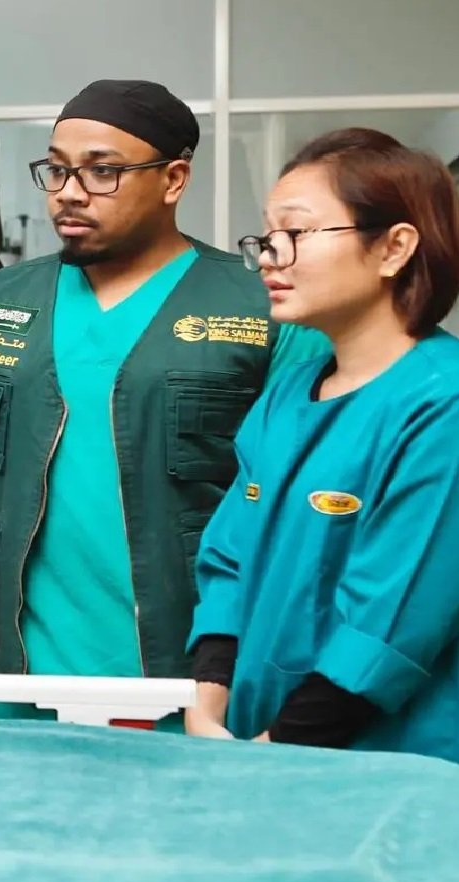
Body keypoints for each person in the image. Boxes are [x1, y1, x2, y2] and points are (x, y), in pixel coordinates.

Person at [0, 80, 329, 715]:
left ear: (173, 179)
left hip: (200, 685)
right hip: (23, 685)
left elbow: (303, 508)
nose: (70, 192)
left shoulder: (264, 309)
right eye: (57, 170)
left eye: (103, 171)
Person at [185, 129, 459, 760]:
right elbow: (228, 559)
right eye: (266, 237)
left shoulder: (440, 404)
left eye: (295, 233)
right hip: (263, 743)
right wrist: (210, 697)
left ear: (393, 248)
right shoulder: (289, 393)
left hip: (387, 764)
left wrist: (276, 751)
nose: (268, 258)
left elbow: (392, 624)